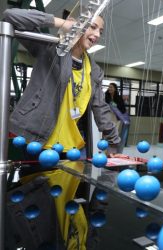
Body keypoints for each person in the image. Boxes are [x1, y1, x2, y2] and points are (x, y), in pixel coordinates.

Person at [4, 8, 120, 155]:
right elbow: (11, 16)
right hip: (32, 140)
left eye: (100, 31)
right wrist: (62, 23)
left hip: (70, 147)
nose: (97, 35)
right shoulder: (49, 49)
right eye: (92, 27)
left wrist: (113, 142)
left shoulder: (94, 70)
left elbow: (100, 108)